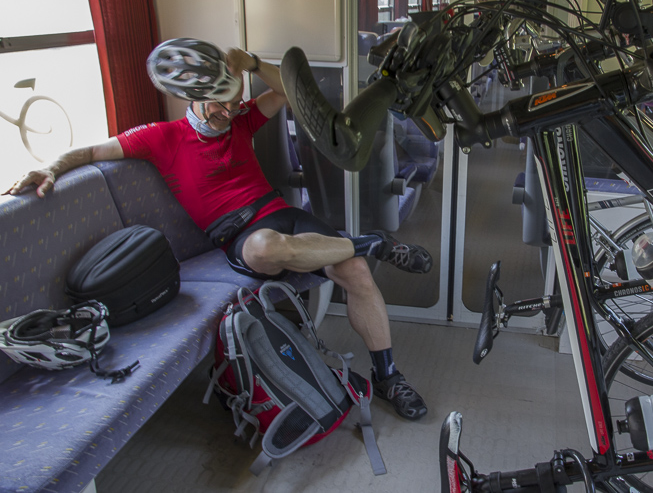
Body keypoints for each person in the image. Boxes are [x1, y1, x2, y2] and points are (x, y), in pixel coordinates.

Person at [4, 38, 429, 421]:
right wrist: (50, 167)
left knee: (354, 271)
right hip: (239, 234)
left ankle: (388, 376)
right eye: (217, 107)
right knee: (265, 250)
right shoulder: (161, 137)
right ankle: (373, 242)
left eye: (232, 104)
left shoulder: (242, 118)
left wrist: (253, 62)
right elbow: (93, 150)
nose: (227, 114)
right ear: (191, 100)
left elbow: (287, 91)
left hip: (280, 211)